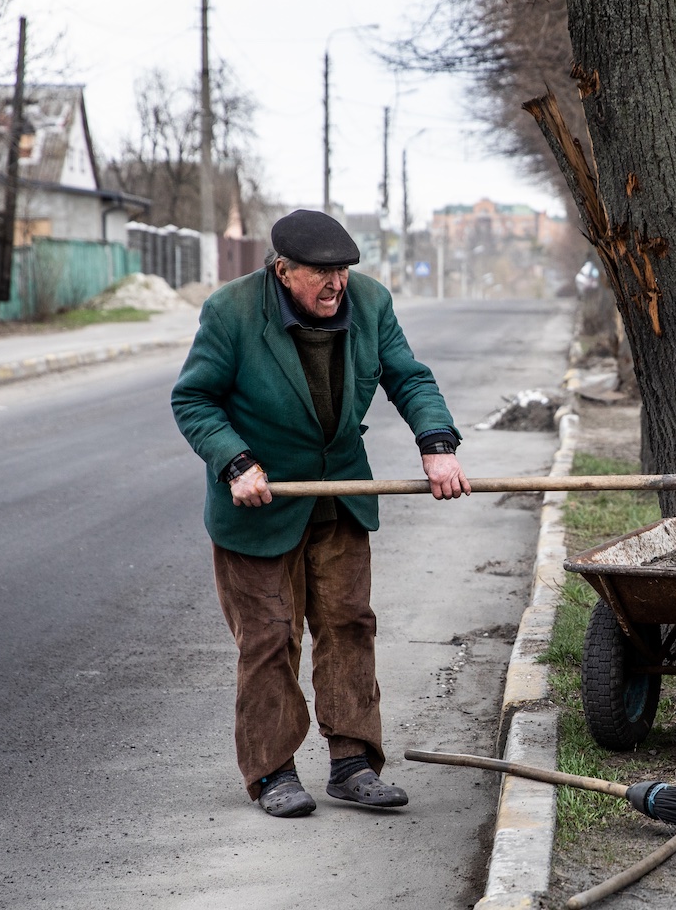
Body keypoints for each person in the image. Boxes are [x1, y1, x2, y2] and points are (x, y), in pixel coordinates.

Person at [172, 209, 471, 818]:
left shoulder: (370, 301)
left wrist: (437, 445)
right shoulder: (231, 311)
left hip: (339, 495)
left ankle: (353, 762)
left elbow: (408, 378)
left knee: (348, 623)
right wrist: (236, 463)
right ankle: (273, 772)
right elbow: (194, 398)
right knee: (269, 638)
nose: (336, 284)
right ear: (284, 271)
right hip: (260, 501)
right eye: (321, 273)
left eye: (342, 271)